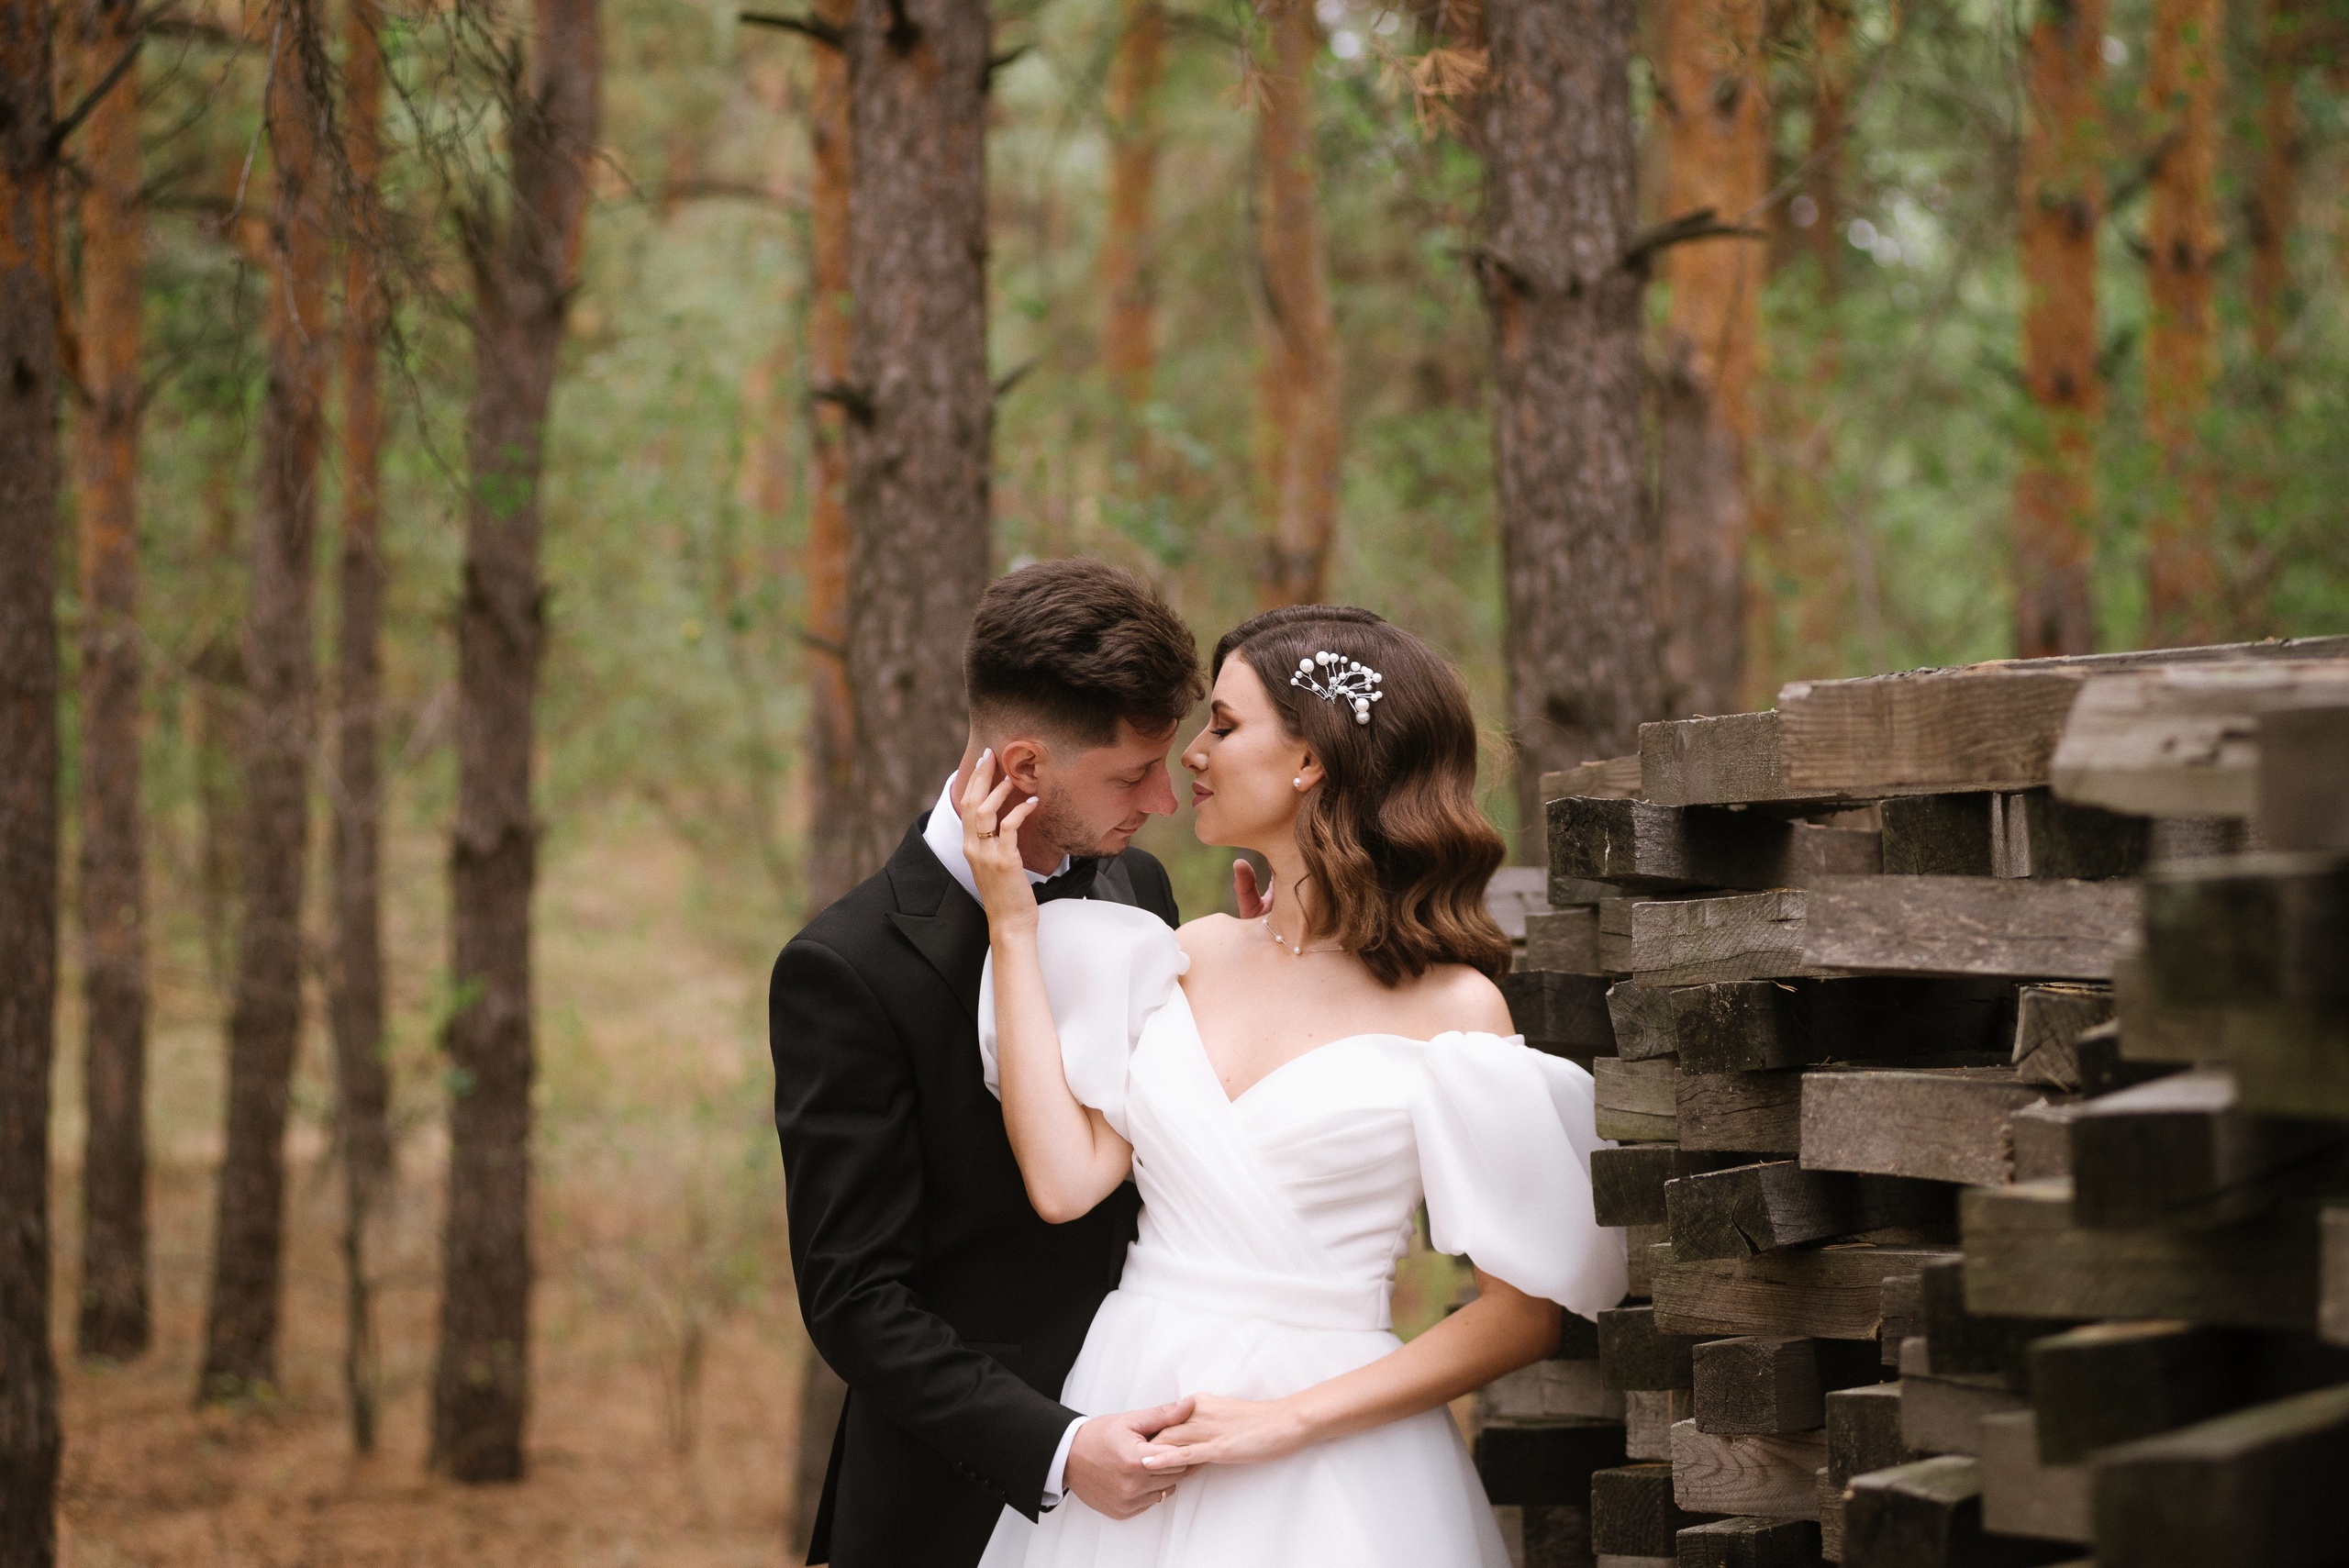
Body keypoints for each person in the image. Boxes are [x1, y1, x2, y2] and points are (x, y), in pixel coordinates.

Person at [961, 605, 1628, 1566]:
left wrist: (1283, 1422)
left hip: (1330, 1442)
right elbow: (1064, 1183)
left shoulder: (1457, 1010)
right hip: (1131, 1397)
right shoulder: (1176, 956)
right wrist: (1013, 928)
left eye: (1224, 725)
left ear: (1310, 760)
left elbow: (1519, 1315)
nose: (1190, 753)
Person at [769, 559, 1218, 1568]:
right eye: (1130, 772)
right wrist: (1056, 1447)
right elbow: (855, 1300)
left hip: (1170, 1476)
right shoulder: (846, 966)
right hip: (951, 1501)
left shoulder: (1138, 887)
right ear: (1022, 767)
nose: (1165, 799)